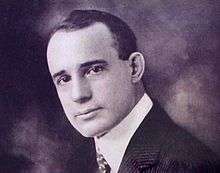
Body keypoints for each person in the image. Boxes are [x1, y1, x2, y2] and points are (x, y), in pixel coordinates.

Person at [46, 10, 219, 173]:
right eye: (64, 79)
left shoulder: (185, 165)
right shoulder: (86, 158)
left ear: (135, 68)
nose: (78, 95)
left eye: (94, 70)